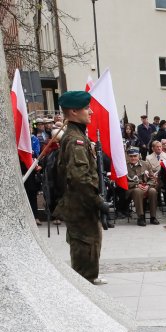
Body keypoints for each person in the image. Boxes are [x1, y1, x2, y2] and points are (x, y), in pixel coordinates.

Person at [51, 90, 109, 285]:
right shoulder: (75, 140)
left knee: (90, 239)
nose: (90, 112)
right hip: (80, 203)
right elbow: (79, 178)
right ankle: (84, 283)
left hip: (82, 201)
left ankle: (89, 278)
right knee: (85, 243)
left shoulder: (77, 136)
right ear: (74, 112)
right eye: (86, 108)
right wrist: (98, 201)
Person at [125, 147, 159, 227]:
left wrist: (148, 185)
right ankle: (141, 217)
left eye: (135, 156)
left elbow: (152, 178)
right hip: (132, 188)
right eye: (131, 156)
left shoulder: (145, 164)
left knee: (153, 191)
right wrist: (136, 185)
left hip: (146, 186)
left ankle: (153, 217)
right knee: (138, 191)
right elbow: (124, 182)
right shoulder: (125, 167)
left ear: (139, 156)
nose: (133, 158)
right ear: (128, 157)